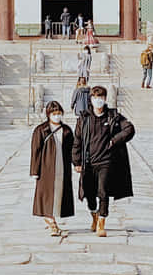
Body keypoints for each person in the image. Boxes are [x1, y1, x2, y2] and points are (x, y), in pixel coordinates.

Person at [73, 84, 135, 236]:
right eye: (95, 97)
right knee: (89, 193)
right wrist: (76, 161)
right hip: (89, 162)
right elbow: (77, 141)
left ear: (105, 99)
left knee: (103, 191)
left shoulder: (113, 116)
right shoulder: (84, 118)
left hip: (106, 161)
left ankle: (101, 222)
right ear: (91, 99)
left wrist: (114, 140)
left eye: (100, 97)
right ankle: (94, 215)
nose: (98, 100)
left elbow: (129, 129)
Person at [30, 98, 75, 238]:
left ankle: (52, 218)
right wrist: (34, 170)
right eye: (54, 113)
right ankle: (51, 222)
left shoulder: (66, 130)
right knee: (47, 195)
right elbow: (35, 151)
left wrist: (77, 163)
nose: (57, 116)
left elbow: (73, 149)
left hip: (63, 167)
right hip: (46, 168)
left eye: (59, 113)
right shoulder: (41, 130)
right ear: (48, 114)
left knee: (59, 194)